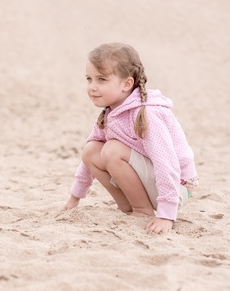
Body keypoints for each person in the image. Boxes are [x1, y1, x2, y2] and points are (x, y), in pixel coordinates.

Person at [63, 43, 199, 234]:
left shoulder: (147, 113)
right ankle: (131, 205)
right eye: (89, 79)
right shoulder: (110, 113)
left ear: (127, 84)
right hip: (153, 183)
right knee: (92, 149)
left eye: (101, 79)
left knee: (112, 150)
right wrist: (75, 197)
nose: (92, 87)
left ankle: (142, 209)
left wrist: (166, 214)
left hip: (178, 188)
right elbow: (88, 160)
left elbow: (166, 162)